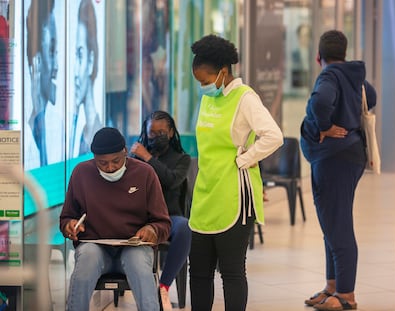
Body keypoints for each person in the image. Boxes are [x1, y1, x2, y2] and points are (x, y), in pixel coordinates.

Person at [189, 34, 284, 311]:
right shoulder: (209, 99)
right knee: (199, 272)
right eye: (199, 82)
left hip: (234, 195)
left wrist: (247, 158)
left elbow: (273, 136)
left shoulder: (246, 98)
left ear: (223, 72)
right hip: (205, 193)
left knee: (231, 271)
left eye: (206, 80)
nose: (203, 87)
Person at [300, 30, 376, 311]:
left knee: (339, 225)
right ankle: (332, 286)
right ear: (343, 53)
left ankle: (346, 294)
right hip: (348, 158)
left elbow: (321, 102)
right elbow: (373, 95)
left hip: (335, 160)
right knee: (331, 224)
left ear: (318, 56)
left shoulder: (329, 76)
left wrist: (325, 127)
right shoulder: (353, 75)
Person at [60, 127, 171, 311]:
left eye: (116, 161)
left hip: (134, 246)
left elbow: (164, 223)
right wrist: (69, 226)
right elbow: (66, 217)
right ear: (93, 157)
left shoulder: (145, 173)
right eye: (102, 163)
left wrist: (152, 230)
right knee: (86, 260)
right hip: (95, 247)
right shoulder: (81, 173)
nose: (110, 168)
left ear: (125, 152)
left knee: (139, 265)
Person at [130, 110, 192, 311]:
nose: (156, 137)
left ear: (171, 132)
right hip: (139, 217)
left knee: (185, 227)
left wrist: (148, 157)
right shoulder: (135, 157)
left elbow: (172, 180)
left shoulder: (182, 159)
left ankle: (163, 286)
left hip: (169, 217)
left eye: (162, 133)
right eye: (152, 133)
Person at [26, 0, 58, 166]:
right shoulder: (24, 134)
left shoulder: (54, 126)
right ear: (36, 60)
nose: (57, 67)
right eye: (52, 52)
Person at [70, 0, 102, 158]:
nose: (75, 72)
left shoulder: (96, 132)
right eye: (74, 57)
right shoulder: (79, 132)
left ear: (90, 61)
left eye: (80, 55)